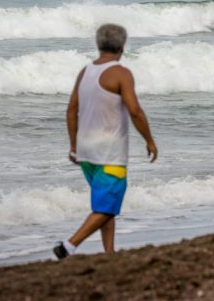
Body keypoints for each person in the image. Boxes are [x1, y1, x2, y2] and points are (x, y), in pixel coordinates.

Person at [53, 23, 158, 259]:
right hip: (110, 152)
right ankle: (68, 246)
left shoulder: (86, 71)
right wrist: (150, 140)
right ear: (122, 46)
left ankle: (109, 254)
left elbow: (71, 110)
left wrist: (73, 145)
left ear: (99, 45)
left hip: (86, 150)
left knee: (103, 205)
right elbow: (135, 111)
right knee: (106, 207)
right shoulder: (121, 73)